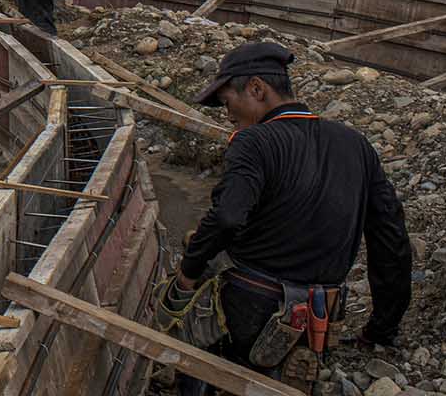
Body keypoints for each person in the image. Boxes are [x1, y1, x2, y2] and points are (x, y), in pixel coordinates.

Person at [161, 41, 410, 390]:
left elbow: (228, 217)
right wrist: (382, 327)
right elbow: (391, 239)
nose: (228, 115)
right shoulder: (356, 145)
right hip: (320, 316)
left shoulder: (253, 141)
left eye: (228, 102)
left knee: (186, 337)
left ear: (257, 88)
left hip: (251, 307)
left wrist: (188, 273)